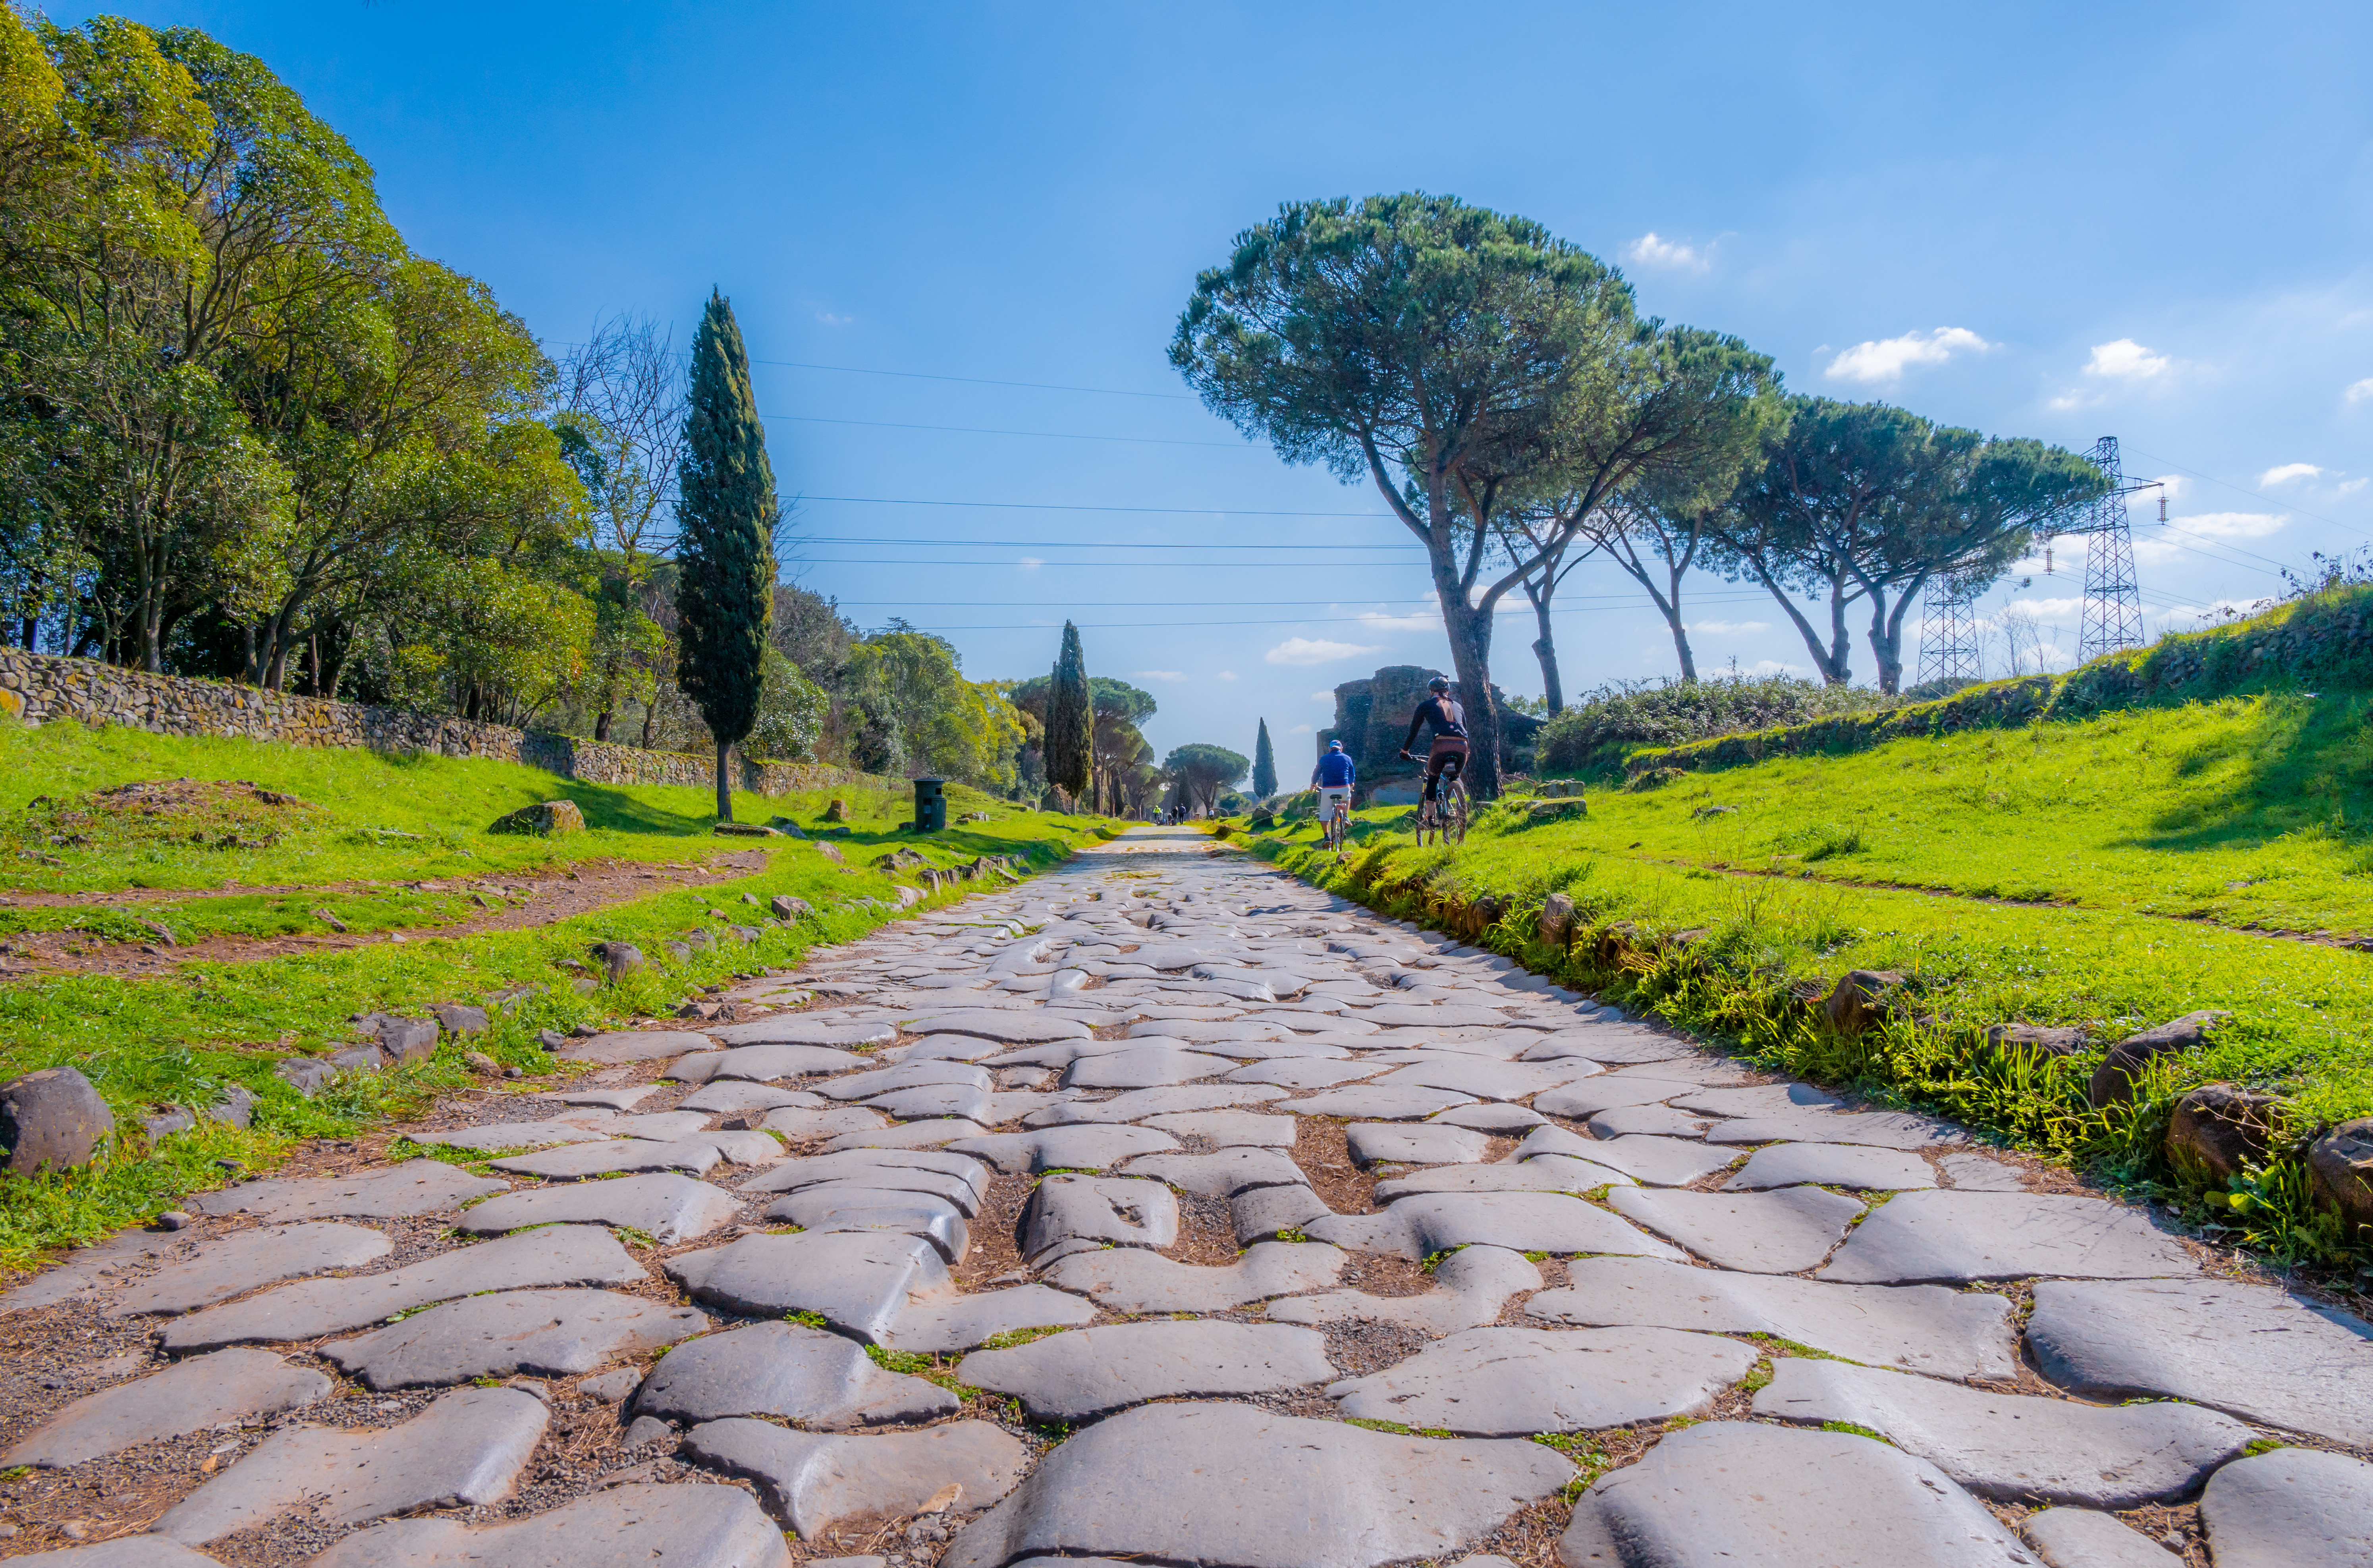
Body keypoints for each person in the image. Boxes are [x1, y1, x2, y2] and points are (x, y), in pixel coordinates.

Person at [1397, 676, 1469, 804]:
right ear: (1448, 690)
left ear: (1431, 691)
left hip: (1441, 745)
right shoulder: (1458, 706)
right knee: (1456, 776)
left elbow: (1413, 732)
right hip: (1462, 746)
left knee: (1433, 777)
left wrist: (1405, 751)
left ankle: (1430, 819)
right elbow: (1464, 731)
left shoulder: (1426, 705)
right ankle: (1462, 806)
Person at [1310, 740, 1356, 836]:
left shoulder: (1324, 759)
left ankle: (1327, 837)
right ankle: (1346, 817)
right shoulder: (1347, 758)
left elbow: (1317, 772)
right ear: (1341, 749)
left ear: (1330, 749)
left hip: (1328, 789)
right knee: (1347, 798)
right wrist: (1351, 784)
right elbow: (1352, 773)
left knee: (1324, 815)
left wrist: (1314, 783)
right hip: (1344, 788)